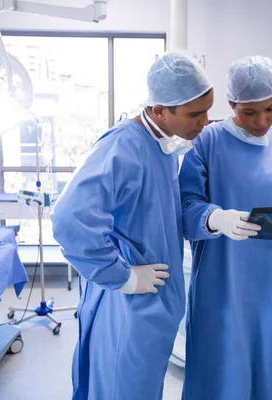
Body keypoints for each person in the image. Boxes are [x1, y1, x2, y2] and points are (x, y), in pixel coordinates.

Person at [51, 51, 214, 400]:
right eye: (195, 114)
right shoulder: (124, 146)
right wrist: (121, 276)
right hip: (129, 305)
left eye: (207, 110)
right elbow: (70, 218)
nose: (205, 122)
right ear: (159, 110)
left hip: (151, 305)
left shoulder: (162, 147)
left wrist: (214, 220)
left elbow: (159, 216)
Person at [179, 55, 272, 400]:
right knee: (217, 363)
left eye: (270, 109)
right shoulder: (206, 142)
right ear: (230, 104)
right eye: (249, 112)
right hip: (218, 280)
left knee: (262, 362)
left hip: (268, 281)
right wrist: (215, 218)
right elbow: (186, 204)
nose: (262, 120)